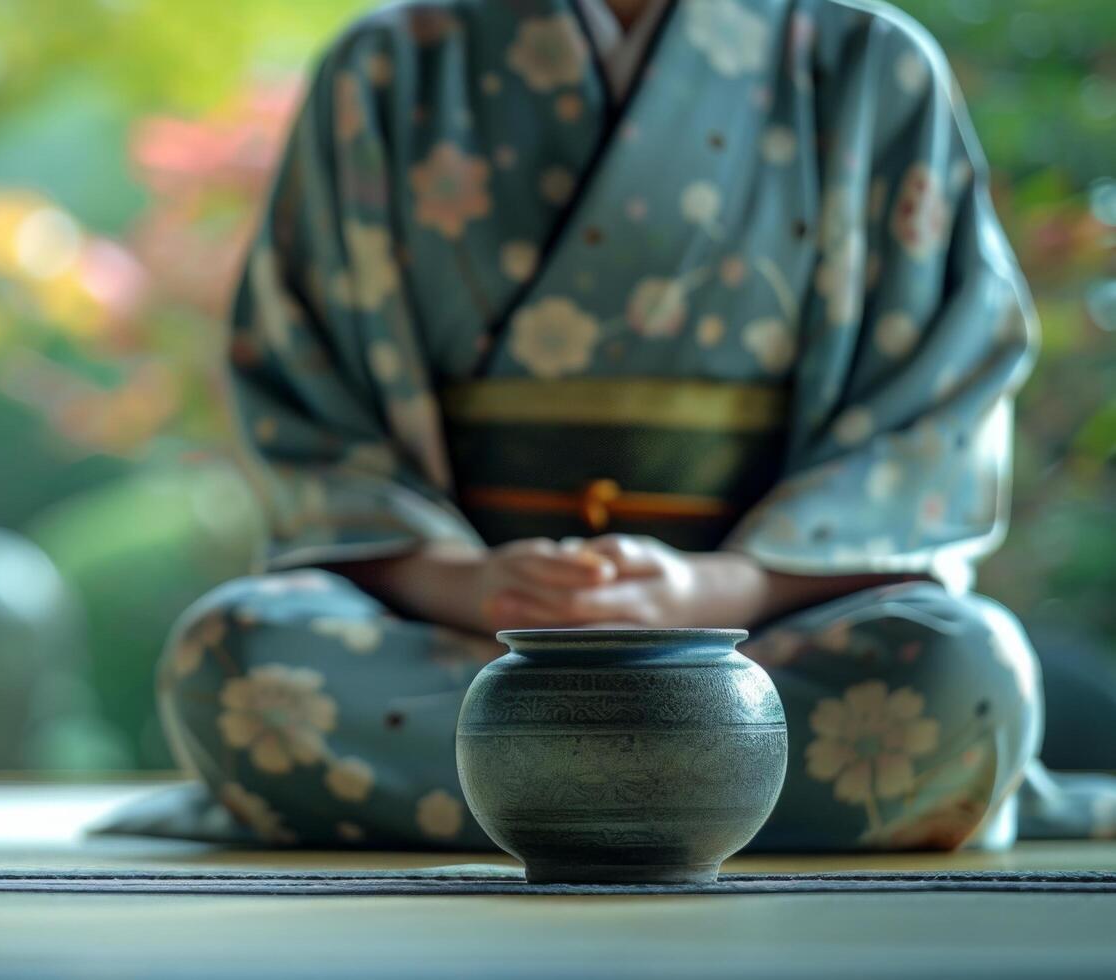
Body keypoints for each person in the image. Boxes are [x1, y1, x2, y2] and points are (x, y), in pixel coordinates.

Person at [140, 0, 1116, 850]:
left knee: (963, 670)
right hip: (479, 647)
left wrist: (714, 586)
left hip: (759, 645)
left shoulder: (868, 63)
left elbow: (930, 401)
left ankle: (531, 792)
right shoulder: (388, 64)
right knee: (239, 654)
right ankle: (714, 797)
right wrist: (472, 583)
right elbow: (314, 395)